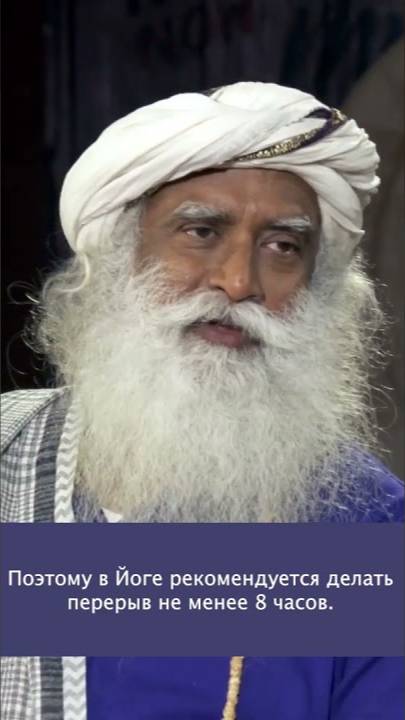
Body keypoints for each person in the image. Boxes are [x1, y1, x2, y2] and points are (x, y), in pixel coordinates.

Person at [1, 82, 403, 719]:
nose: (238, 282)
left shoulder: (367, 521)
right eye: (200, 231)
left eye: (283, 246)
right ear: (119, 257)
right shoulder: (11, 455)